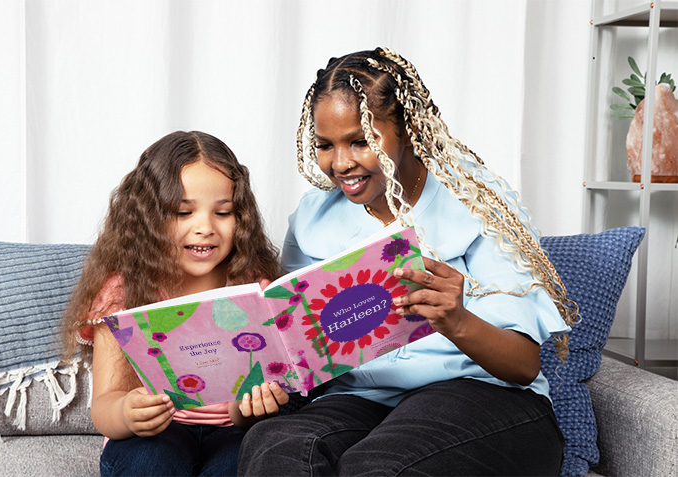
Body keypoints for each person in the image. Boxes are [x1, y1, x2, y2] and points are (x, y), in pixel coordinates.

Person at [238, 48, 577, 476]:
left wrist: (457, 321)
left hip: (482, 395)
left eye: (361, 141)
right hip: (360, 400)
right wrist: (268, 375)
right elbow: (293, 346)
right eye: (326, 145)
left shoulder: (479, 202)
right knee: (276, 446)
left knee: (378, 465)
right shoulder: (312, 217)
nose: (340, 163)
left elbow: (524, 365)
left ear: (408, 130)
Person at [61, 131, 289, 476]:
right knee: (149, 462)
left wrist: (252, 408)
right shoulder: (123, 291)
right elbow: (105, 405)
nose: (205, 228)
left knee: (247, 462)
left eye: (223, 212)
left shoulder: (253, 287)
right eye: (184, 212)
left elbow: (251, 404)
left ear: (240, 218)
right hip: (156, 433)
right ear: (148, 219)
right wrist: (127, 413)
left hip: (233, 430)